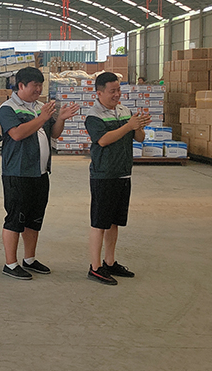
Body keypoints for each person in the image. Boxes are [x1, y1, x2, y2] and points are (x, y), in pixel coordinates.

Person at [0, 67, 79, 280]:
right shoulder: (8, 108)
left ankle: (29, 259)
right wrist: (42, 118)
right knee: (15, 218)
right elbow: (17, 134)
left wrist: (60, 119)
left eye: (40, 85)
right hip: (18, 173)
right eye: (35, 85)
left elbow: (54, 134)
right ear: (21, 85)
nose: (38, 89)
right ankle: (10, 264)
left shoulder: (40, 107)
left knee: (34, 219)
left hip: (40, 173)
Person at [86, 72, 151, 285]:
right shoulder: (94, 115)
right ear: (99, 93)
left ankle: (110, 261)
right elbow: (103, 140)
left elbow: (138, 138)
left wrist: (139, 126)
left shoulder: (125, 111)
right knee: (99, 223)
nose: (117, 95)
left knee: (114, 222)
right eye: (112, 91)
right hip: (104, 175)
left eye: (118, 90)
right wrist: (128, 126)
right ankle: (95, 267)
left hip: (123, 173)